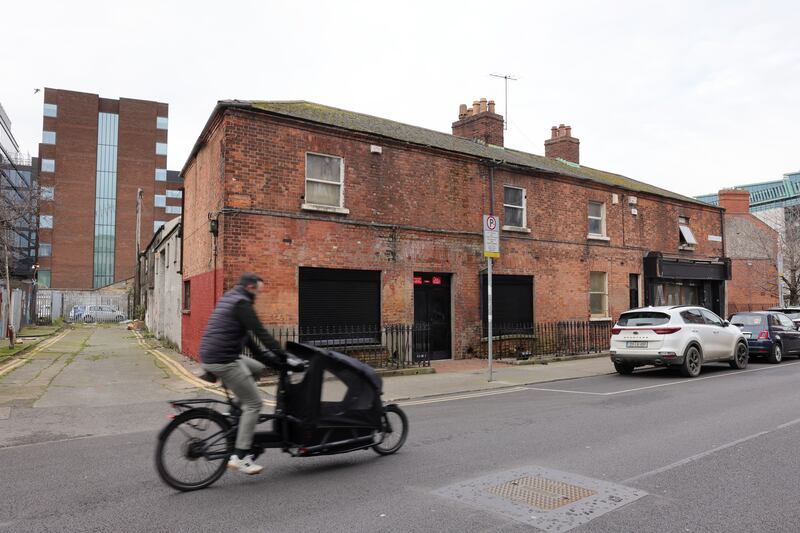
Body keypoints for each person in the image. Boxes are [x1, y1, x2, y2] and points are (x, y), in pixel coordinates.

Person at [199, 272, 288, 475]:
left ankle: (236, 411)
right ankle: (240, 457)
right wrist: (283, 356)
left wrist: (268, 359)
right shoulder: (242, 303)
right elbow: (261, 333)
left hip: (213, 354)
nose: (259, 295)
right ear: (250, 287)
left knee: (256, 368)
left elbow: (248, 338)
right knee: (255, 403)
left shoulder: (230, 298)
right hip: (224, 359)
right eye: (258, 291)